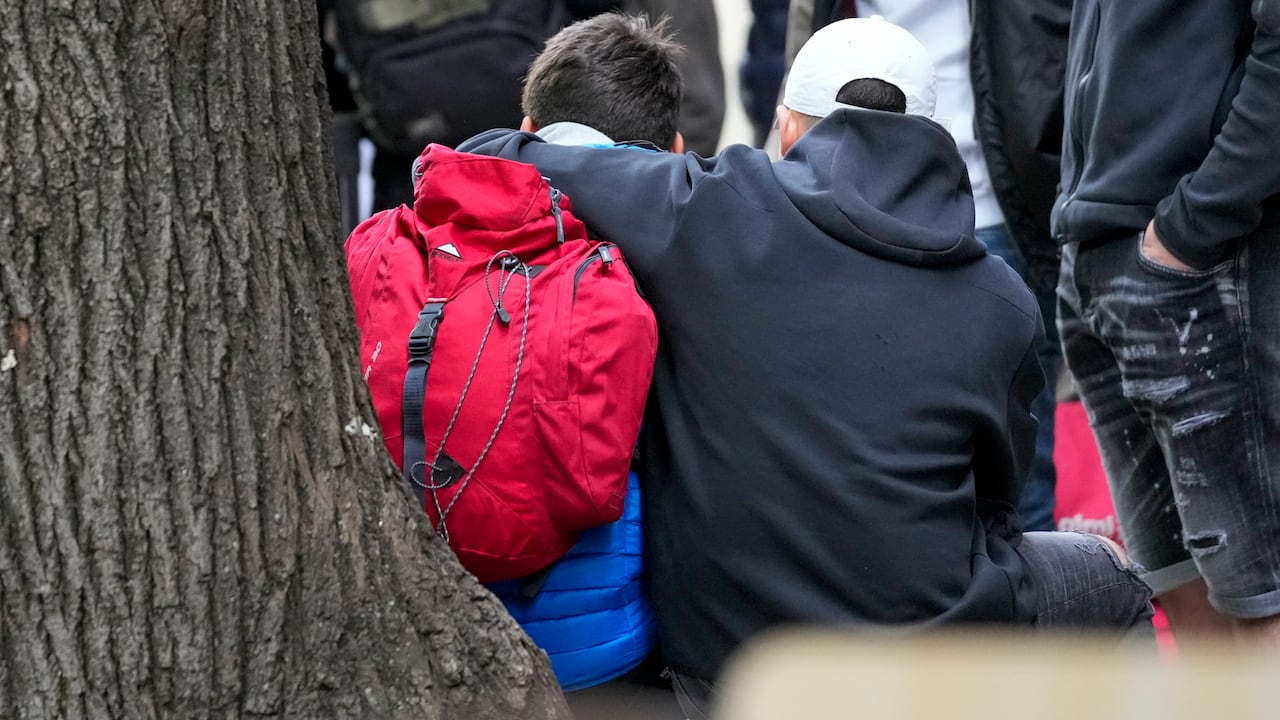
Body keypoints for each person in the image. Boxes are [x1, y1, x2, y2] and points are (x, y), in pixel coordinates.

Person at [460, 17, 1153, 718]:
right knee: (1112, 578)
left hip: (724, 669)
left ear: (788, 130)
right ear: (934, 137)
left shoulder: (710, 209)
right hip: (925, 653)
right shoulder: (1001, 299)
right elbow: (996, 506)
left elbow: (500, 158)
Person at [345, 12, 686, 693]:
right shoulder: (681, 252)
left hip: (404, 624)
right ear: (673, 148)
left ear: (526, 134)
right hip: (597, 648)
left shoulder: (391, 238)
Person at [785, 0, 1072, 532]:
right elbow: (808, 48)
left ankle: (1017, 603)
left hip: (1002, 208)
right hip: (844, 208)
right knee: (859, 430)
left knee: (1015, 477)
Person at [1054, 1, 1280, 645]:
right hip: (1101, 245)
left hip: (1203, 256)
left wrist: (1192, 225)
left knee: (1259, 592)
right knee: (1178, 585)